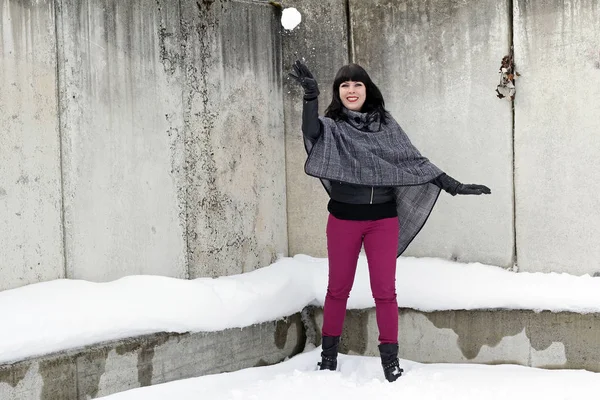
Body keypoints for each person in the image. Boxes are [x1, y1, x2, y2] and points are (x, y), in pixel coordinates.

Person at [289, 60, 491, 382]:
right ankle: (328, 358)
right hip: (343, 220)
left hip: (383, 220)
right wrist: (310, 97)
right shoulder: (333, 127)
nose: (351, 90)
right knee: (338, 289)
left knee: (385, 292)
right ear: (337, 93)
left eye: (357, 84)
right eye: (344, 85)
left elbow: (414, 161)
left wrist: (454, 186)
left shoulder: (386, 124)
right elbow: (310, 131)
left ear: (367, 89)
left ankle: (390, 361)